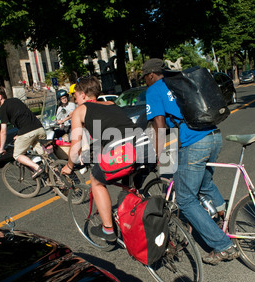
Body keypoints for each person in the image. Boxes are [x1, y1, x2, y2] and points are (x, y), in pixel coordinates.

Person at [143, 58, 239, 265]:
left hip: (194, 143)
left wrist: (159, 154)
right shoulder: (179, 81)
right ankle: (225, 220)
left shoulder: (153, 90)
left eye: (144, 78)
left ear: (150, 75)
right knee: (205, 184)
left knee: (185, 200)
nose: (145, 82)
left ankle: (223, 246)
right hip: (214, 135)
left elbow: (159, 123)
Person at [61, 76, 144, 242]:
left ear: (83, 94)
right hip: (143, 144)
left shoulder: (80, 110)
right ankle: (136, 214)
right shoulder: (111, 104)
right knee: (128, 182)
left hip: (124, 150)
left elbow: (75, 145)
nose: (75, 100)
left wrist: (69, 166)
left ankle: (108, 229)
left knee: (96, 180)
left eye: (75, 96)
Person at [0, 86, 46, 179]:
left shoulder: (3, 108)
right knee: (45, 156)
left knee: (17, 155)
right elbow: (23, 117)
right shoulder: (16, 100)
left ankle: (37, 168)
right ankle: (57, 176)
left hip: (28, 132)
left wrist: (1, 148)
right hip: (39, 128)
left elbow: (3, 131)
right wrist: (19, 134)